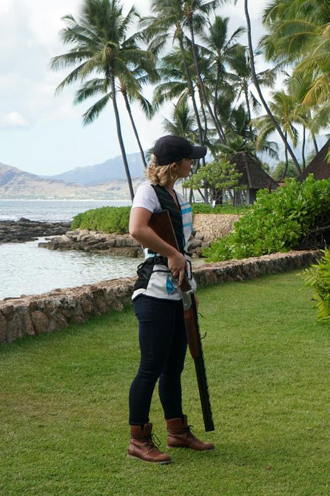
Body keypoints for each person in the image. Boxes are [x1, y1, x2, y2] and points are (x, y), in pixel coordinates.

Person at [126, 135, 214, 464]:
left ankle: (176, 431)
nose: (194, 163)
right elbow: (137, 229)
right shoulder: (148, 192)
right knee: (150, 367)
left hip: (177, 291)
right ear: (175, 164)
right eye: (190, 159)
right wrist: (174, 254)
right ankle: (138, 438)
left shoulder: (176, 193)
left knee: (173, 367)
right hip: (154, 292)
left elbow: (179, 249)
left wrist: (187, 284)